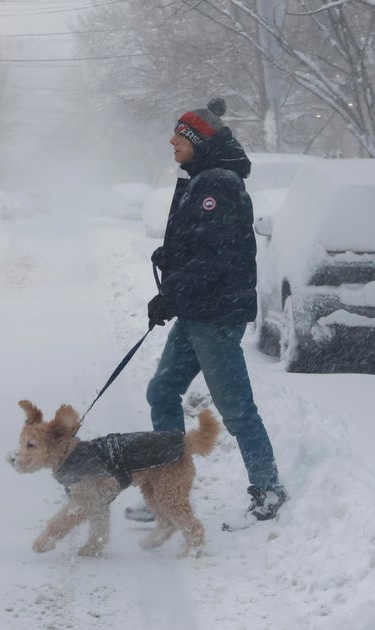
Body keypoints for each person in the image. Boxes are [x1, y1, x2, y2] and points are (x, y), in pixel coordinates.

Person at [126, 98, 287, 531]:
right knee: (162, 391)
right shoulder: (203, 179)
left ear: (197, 141)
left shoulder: (217, 184)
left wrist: (173, 289)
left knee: (235, 408)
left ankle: (268, 489)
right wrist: (171, 258)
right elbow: (200, 243)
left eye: (180, 135)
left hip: (215, 314)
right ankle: (167, 491)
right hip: (198, 309)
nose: (172, 141)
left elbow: (217, 256)